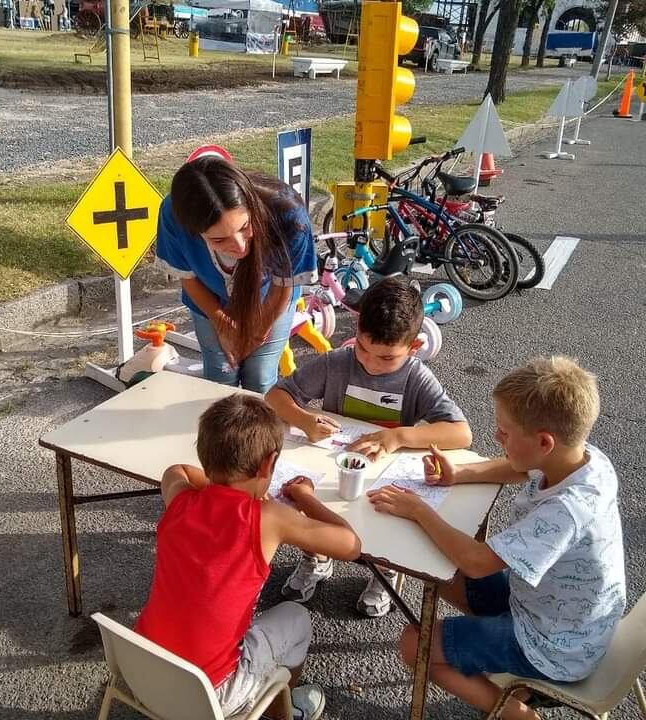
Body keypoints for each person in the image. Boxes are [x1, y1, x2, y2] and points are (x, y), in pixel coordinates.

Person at [368, 356, 626, 720]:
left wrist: (419, 510)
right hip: (551, 610)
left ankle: (517, 715)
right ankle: (487, 653)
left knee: (414, 645)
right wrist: (458, 474)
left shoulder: (568, 511)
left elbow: (476, 563)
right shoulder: (584, 458)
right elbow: (519, 466)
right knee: (431, 564)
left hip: (556, 648)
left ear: (544, 442)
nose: (496, 436)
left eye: (505, 432)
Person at [135, 394, 361, 720]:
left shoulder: (180, 500)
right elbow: (351, 545)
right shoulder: (268, 517)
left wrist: (221, 486)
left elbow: (176, 470)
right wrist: (304, 497)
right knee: (296, 617)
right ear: (269, 464)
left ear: (204, 452)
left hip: (142, 669)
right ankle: (281, 710)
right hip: (210, 696)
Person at [265, 276, 471, 616]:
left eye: (387, 358)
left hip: (383, 474)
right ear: (357, 329)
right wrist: (303, 420)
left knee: (389, 514)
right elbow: (276, 397)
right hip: (331, 467)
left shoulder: (416, 377)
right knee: (299, 497)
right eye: (362, 348)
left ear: (414, 348)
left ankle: (385, 569)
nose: (372, 364)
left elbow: (461, 433)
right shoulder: (336, 362)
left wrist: (397, 437)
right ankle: (317, 556)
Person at [155, 157, 317, 394]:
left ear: (251, 205)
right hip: (209, 298)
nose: (240, 247)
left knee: (260, 377)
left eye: (245, 227)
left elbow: (284, 285)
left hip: (271, 299)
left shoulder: (288, 213)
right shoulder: (172, 214)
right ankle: (219, 430)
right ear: (194, 231)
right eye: (219, 240)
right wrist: (222, 323)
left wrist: (257, 334)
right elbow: (188, 277)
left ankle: (260, 430)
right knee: (220, 373)